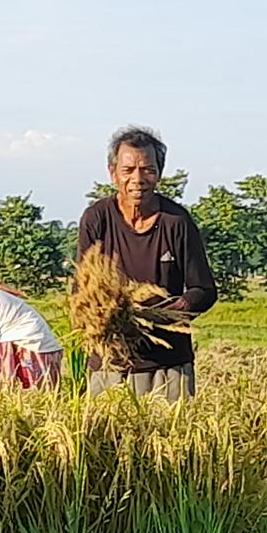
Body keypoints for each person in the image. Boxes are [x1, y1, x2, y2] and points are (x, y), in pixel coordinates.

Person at [76, 126, 216, 400]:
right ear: (113, 173)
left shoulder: (176, 222)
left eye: (148, 170)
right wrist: (104, 316)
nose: (137, 179)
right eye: (128, 170)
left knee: (169, 440)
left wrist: (170, 312)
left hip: (167, 366)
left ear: (159, 174)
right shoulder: (97, 218)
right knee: (109, 440)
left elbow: (204, 290)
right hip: (110, 364)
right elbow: (82, 289)